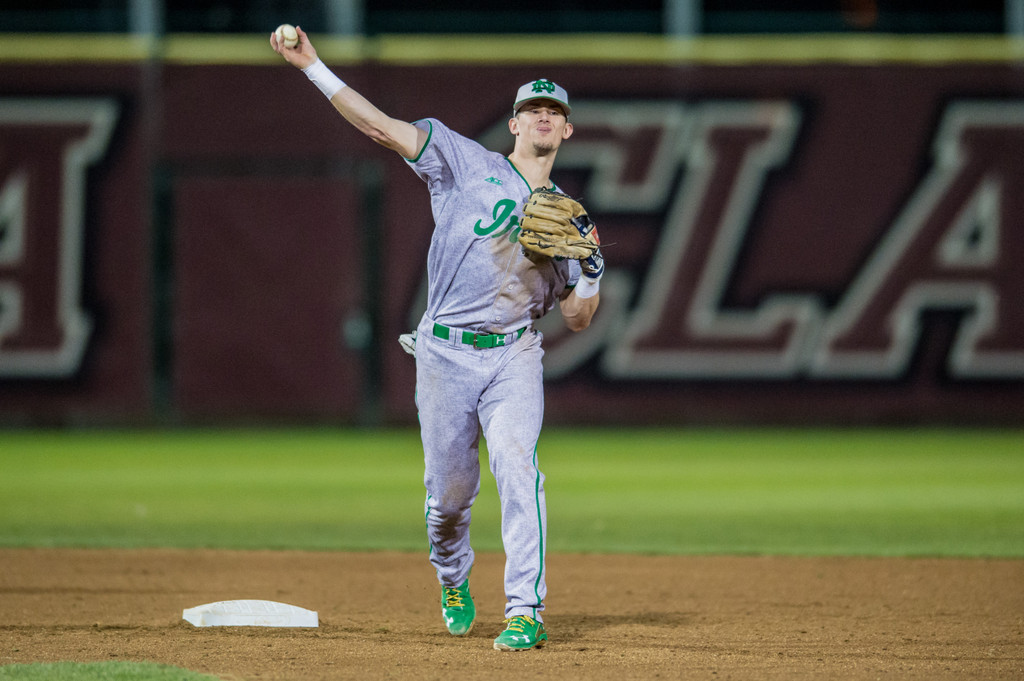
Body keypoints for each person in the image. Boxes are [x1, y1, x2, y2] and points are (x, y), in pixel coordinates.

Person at [271, 26, 603, 651]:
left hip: (513, 353)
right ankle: (452, 577)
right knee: (449, 498)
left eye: (553, 112)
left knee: (516, 468)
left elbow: (579, 319)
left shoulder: (572, 219)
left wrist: (590, 270)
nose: (542, 117)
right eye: (533, 108)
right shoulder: (461, 161)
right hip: (445, 352)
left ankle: (524, 610)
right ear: (513, 124)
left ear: (566, 132)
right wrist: (312, 65)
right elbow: (379, 126)